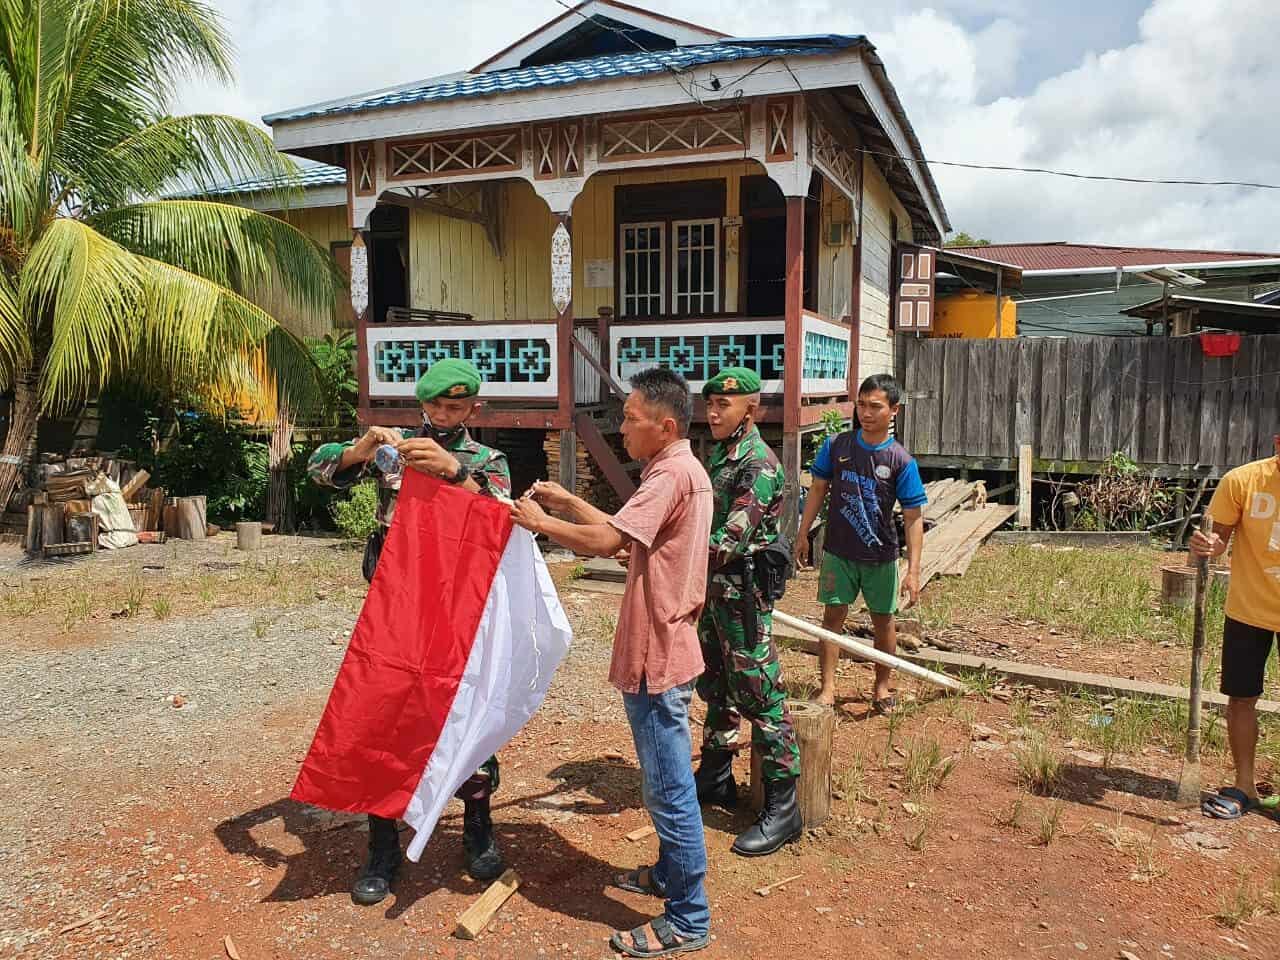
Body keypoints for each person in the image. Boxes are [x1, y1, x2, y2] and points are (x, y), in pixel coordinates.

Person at [510, 367, 712, 958]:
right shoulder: (677, 471)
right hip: (667, 647)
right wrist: (569, 499)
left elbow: (606, 545)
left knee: (669, 790)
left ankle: (688, 919)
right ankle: (672, 877)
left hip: (658, 655)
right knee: (663, 784)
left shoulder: (671, 474)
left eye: (630, 418)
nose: (622, 428)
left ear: (665, 425)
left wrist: (540, 523)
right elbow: (626, 534)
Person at [307, 357, 511, 905]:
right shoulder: (394, 449)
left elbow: (505, 515)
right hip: (394, 610)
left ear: (474, 408)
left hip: (459, 610)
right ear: (420, 405)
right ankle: (381, 847)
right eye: (435, 406)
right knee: (384, 719)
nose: (444, 415)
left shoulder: (487, 459)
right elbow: (319, 469)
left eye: (456, 406)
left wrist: (455, 473)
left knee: (461, 713)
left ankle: (477, 826)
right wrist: (359, 450)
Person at [694, 365, 803, 857]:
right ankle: (717, 775)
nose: (713, 413)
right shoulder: (720, 453)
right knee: (717, 684)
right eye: (710, 403)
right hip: (715, 594)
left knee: (761, 696)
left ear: (750, 409)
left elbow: (728, 541)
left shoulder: (757, 464)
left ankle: (784, 807)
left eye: (724, 405)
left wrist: (658, 550)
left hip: (743, 597)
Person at [795, 374, 927, 712]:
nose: (866, 413)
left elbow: (913, 518)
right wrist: (802, 533)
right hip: (838, 552)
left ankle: (882, 688)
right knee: (833, 616)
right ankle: (827, 688)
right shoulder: (837, 446)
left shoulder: (901, 461)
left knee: (883, 621)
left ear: (893, 410)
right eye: (861, 405)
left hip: (880, 555)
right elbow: (818, 489)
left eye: (875, 406)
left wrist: (913, 571)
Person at [1193, 431, 1280, 820]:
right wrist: (1208, 546)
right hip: (1249, 609)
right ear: (1277, 443)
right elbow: (1219, 538)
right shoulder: (1243, 480)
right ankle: (1244, 784)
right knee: (1242, 697)